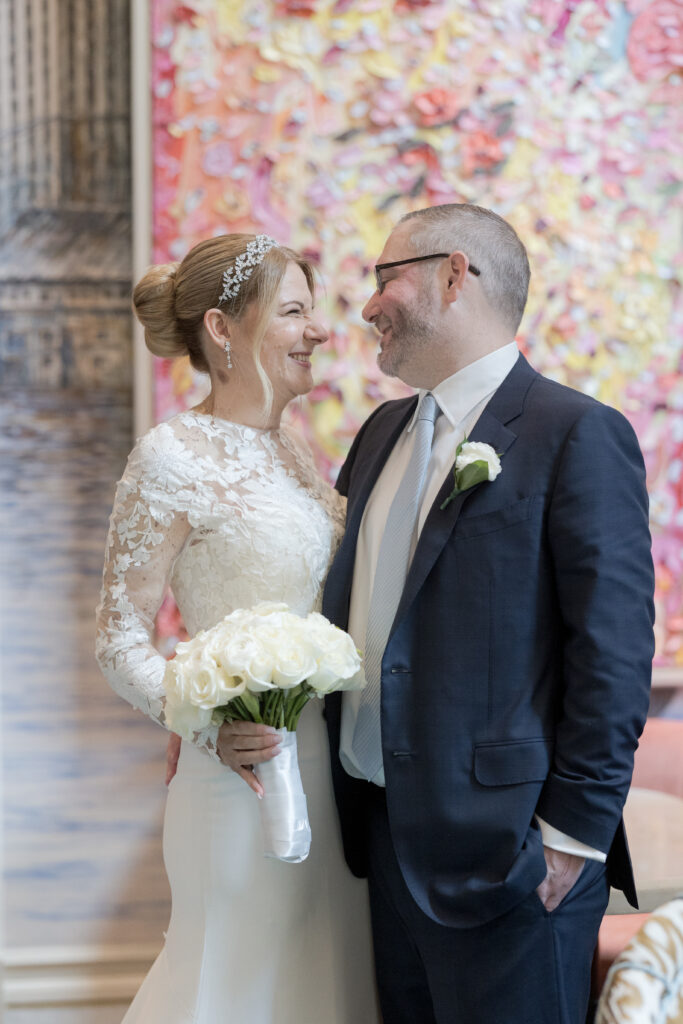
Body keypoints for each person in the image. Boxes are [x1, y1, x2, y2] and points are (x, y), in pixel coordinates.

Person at [318, 204, 655, 1023]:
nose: (368, 306)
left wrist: (569, 838)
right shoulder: (379, 433)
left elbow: (611, 656)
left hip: (513, 863)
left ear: (452, 274)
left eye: (384, 278)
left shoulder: (574, 433)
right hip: (382, 848)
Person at [95, 234, 378, 1023]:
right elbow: (120, 639)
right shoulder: (170, 457)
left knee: (320, 982)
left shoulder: (292, 452)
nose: (318, 331)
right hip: (236, 777)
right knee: (235, 982)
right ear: (223, 330)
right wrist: (204, 719)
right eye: (293, 311)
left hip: (330, 778)